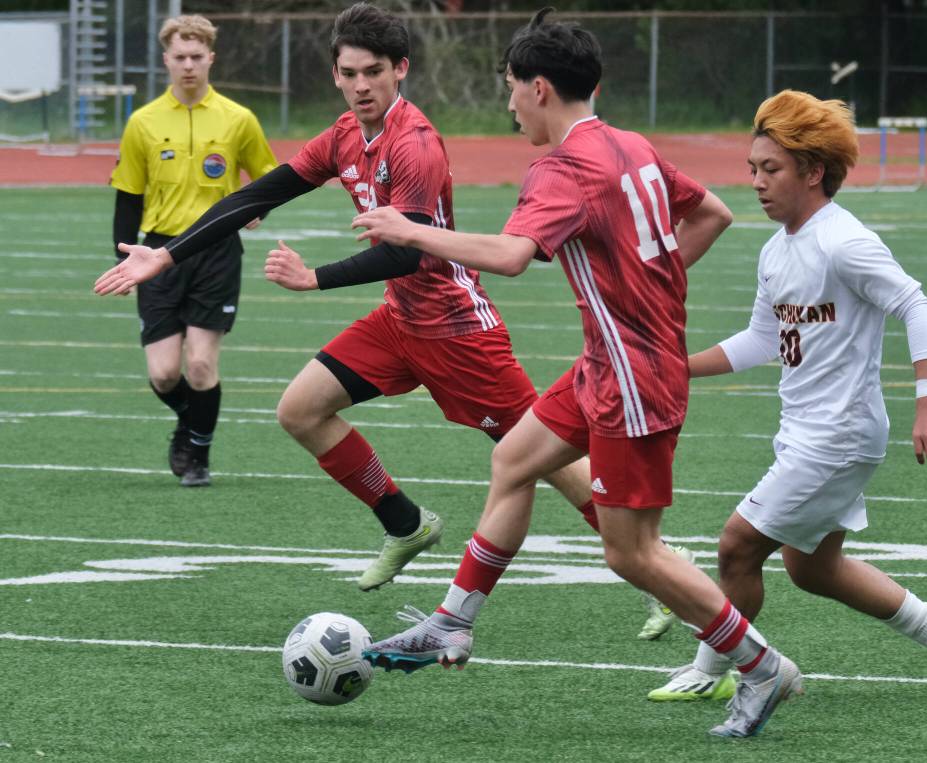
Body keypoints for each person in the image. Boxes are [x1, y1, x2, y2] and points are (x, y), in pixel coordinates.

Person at [96, 4, 664, 611]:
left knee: (540, 458)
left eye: (373, 71)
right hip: (401, 322)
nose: (361, 84)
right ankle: (404, 523)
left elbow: (407, 255)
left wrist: (315, 279)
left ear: (401, 70)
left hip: (456, 330)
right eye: (349, 72)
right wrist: (167, 256)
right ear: (336, 74)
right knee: (301, 411)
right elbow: (262, 191)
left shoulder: (415, 142)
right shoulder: (344, 134)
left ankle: (657, 567)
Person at [353, 9, 802, 739]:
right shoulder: (631, 144)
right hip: (611, 361)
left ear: (538, 88)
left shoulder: (564, 165)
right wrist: (645, 287)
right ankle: (451, 622)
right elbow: (713, 212)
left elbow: (508, 255)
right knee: (514, 458)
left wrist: (408, 228)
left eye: (510, 90)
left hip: (631, 378)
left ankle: (759, 665)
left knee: (632, 551)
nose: (507, 105)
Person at [646, 90, 927, 705]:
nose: (755, 182)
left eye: (769, 169)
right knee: (813, 568)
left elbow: (916, 304)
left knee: (736, 546)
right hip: (807, 429)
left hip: (839, 433)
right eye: (752, 169)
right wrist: (676, 368)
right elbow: (760, 339)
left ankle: (719, 667)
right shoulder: (777, 249)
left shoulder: (843, 241)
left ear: (813, 172)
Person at [109, 14, 276, 487]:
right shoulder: (142, 122)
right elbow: (128, 195)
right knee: (164, 374)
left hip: (216, 250)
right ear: (166, 60)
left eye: (196, 57)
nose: (188, 66)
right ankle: (193, 421)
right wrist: (123, 262)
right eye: (179, 57)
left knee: (201, 365)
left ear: (211, 59)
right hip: (157, 252)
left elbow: (269, 177)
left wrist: (259, 205)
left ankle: (198, 453)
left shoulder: (238, 118)